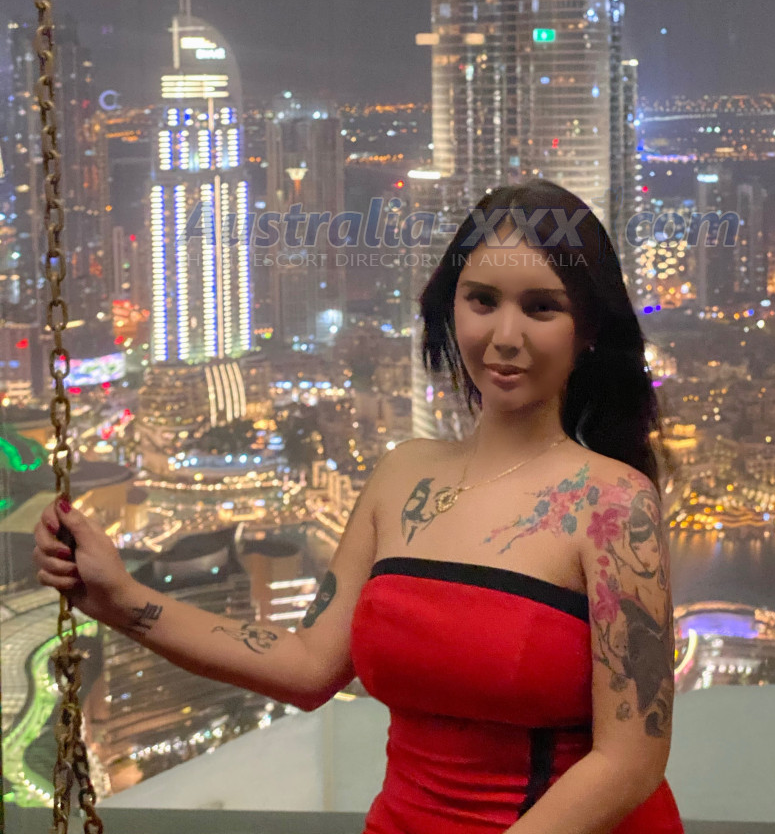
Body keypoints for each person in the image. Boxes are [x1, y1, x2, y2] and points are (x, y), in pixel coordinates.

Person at [34, 180, 684, 833]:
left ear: (588, 329)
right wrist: (120, 599)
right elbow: (308, 664)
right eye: (483, 300)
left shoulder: (613, 504)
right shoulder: (402, 476)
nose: (505, 335)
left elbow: (629, 762)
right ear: (450, 309)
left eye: (541, 307)